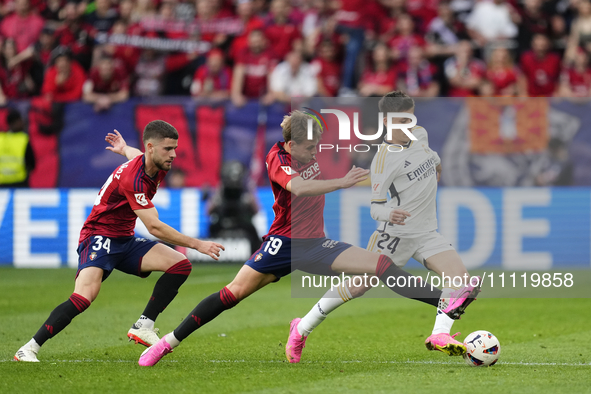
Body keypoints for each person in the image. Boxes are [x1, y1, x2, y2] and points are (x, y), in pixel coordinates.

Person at [136, 109, 481, 367]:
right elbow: (299, 187)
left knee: (380, 266)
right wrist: (342, 182)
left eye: (318, 143)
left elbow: (310, 126)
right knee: (231, 295)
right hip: (282, 245)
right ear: (290, 145)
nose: (316, 151)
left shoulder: (301, 138)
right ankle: (166, 343)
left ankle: (445, 301)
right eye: (310, 146)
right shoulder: (278, 159)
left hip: (315, 243)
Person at [285, 91, 481, 364]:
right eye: (402, 119)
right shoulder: (384, 159)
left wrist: (436, 168)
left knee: (463, 283)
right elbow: (375, 207)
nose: (409, 124)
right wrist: (391, 212)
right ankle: (302, 327)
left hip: (427, 233)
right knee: (357, 286)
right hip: (395, 235)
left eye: (411, 116)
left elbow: (433, 159)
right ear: (387, 122)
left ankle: (439, 335)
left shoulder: (420, 134)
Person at [14, 121, 224, 362]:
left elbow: (136, 154)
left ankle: (143, 325)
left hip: (124, 238)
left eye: (175, 148)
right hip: (98, 236)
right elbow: (154, 226)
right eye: (168, 149)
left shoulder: (154, 162)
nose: (174, 154)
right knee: (83, 297)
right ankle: (28, 348)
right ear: (151, 147)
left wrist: (124, 148)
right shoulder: (133, 180)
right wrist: (198, 244)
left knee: (180, 265)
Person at [0, 109, 35, 188]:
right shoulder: (23, 139)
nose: (23, 123)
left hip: (2, 184)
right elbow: (31, 164)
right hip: (20, 183)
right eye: (20, 121)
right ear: (13, 123)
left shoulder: (1, 138)